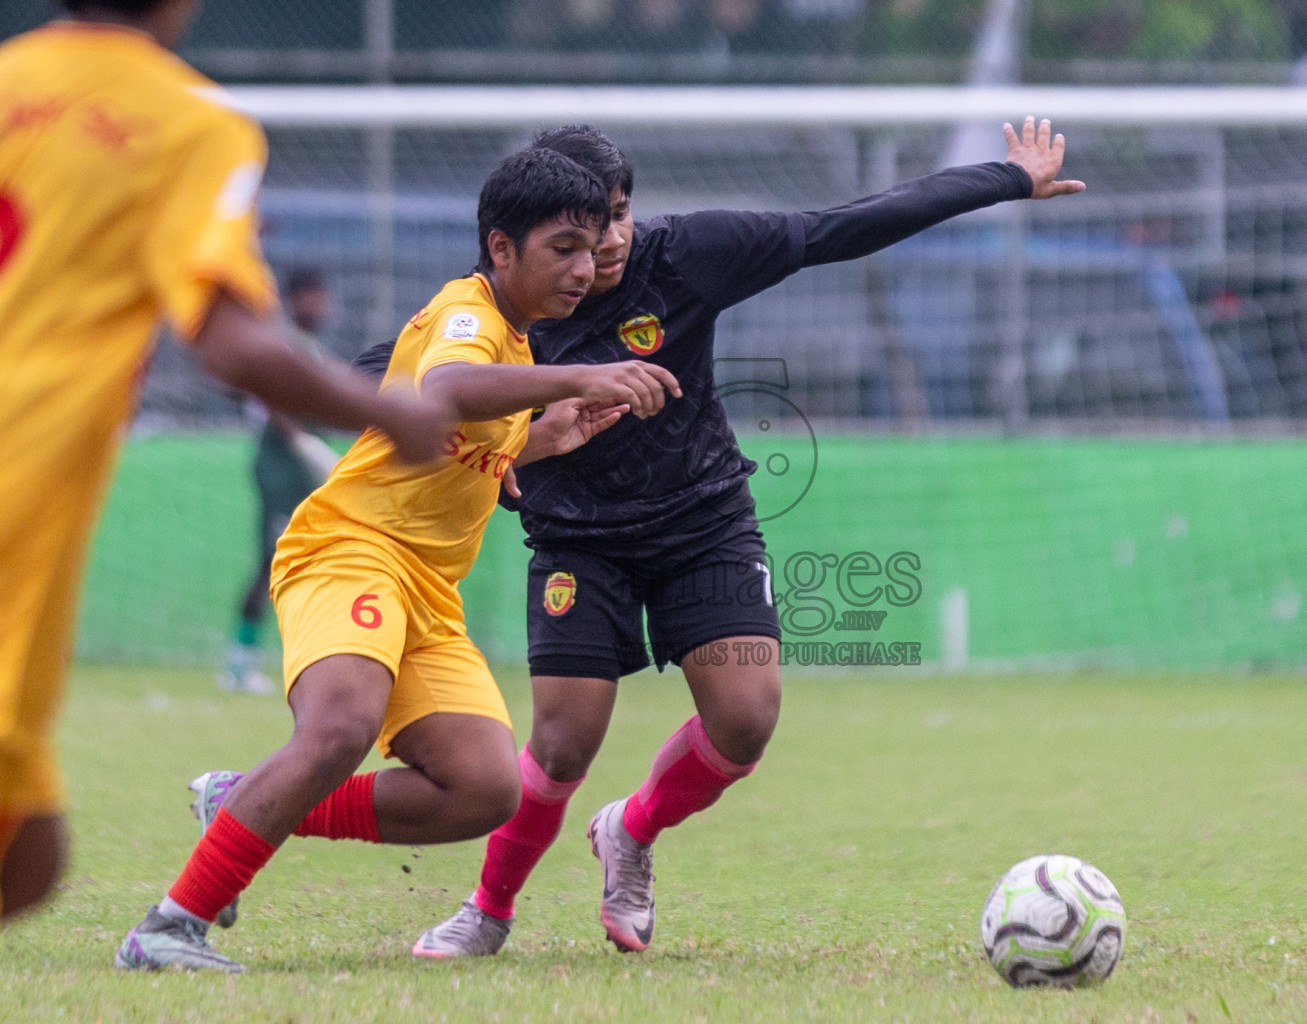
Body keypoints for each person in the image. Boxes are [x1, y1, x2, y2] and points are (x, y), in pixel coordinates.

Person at [393, 118, 1085, 957]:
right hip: (577, 536)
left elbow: (842, 227)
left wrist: (1005, 180)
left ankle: (631, 832)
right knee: (564, 741)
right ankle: (489, 910)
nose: (606, 244)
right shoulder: (501, 302)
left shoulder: (690, 253)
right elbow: (403, 376)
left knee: (747, 719)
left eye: (618, 214)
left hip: (702, 521)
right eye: (582, 227)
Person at [115, 147, 683, 973]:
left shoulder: (520, 355)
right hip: (350, 550)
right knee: (338, 727)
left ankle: (239, 805)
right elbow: (448, 389)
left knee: (484, 789)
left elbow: (479, 450)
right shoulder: (468, 314)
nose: (583, 267)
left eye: (592, 250)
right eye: (562, 246)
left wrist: (546, 436)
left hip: (426, 593)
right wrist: (583, 376)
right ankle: (168, 928)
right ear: (500, 248)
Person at [0, 0, 450, 924]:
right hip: (17, 487)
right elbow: (235, 346)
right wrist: (388, 413)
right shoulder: (187, 123)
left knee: (29, 851)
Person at [219, 268, 341, 696]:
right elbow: (267, 398)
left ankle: (316, 660)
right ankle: (239, 663)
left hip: (304, 466)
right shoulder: (283, 342)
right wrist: (302, 443)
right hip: (280, 464)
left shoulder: (312, 348)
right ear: (297, 298)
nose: (323, 307)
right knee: (272, 560)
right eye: (315, 297)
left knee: (314, 560)